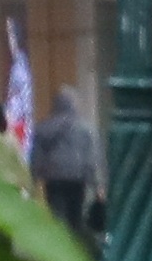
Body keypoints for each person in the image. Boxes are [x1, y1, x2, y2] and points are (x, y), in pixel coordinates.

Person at [29, 85, 102, 246]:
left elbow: (36, 157)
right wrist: (98, 186)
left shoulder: (43, 129)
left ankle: (60, 248)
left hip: (53, 178)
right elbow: (92, 158)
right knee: (75, 218)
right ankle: (74, 250)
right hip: (77, 179)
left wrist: (33, 181)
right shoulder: (86, 129)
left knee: (58, 216)